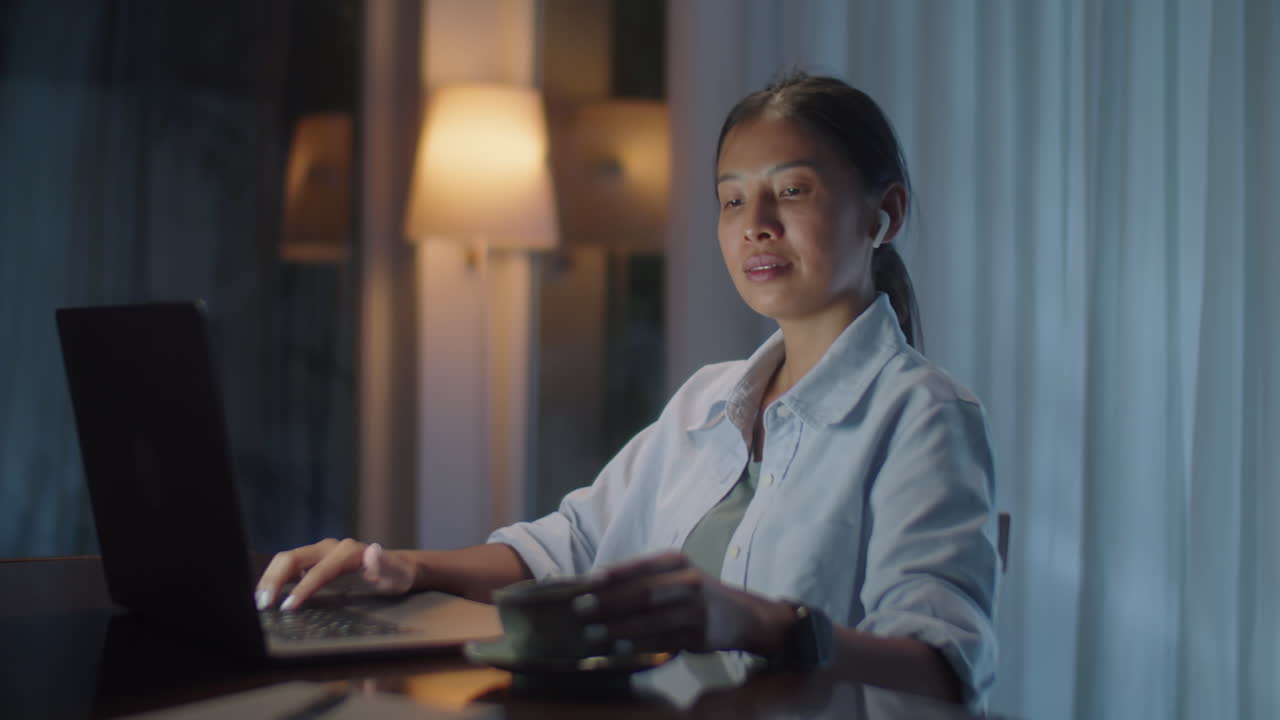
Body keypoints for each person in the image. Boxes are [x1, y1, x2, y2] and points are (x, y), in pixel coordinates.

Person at [256, 72, 998, 707]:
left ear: (883, 215)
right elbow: (572, 546)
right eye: (732, 201)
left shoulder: (923, 415)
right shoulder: (708, 402)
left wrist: (756, 621)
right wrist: (405, 568)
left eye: (792, 190)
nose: (756, 225)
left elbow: (944, 665)